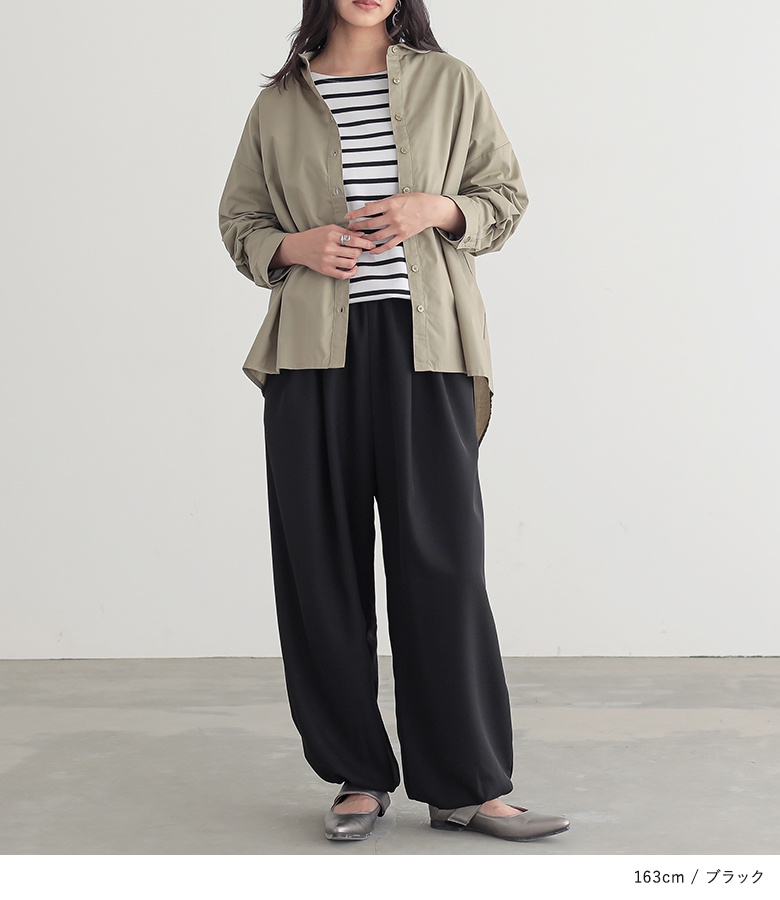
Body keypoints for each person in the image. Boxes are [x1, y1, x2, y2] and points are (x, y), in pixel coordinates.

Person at [218, 0, 570, 844]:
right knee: (321, 573)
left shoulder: (451, 82)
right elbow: (240, 221)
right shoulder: (280, 102)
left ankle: (467, 786)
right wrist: (294, 248)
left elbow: (504, 197)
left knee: (441, 565)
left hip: (429, 346)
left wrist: (435, 210)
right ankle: (358, 777)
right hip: (310, 357)